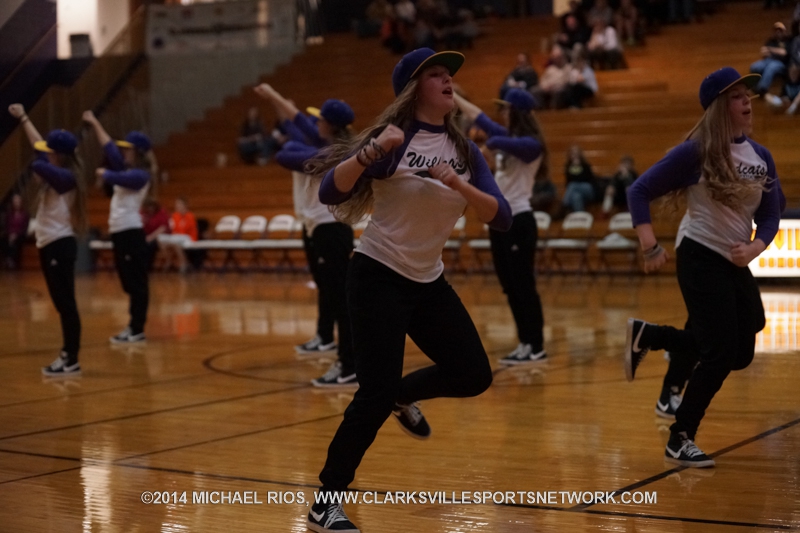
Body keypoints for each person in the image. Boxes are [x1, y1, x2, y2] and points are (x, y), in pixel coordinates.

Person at [304, 48, 511, 532]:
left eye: (448, 74)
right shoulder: (393, 139)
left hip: (427, 279)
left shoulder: (465, 151)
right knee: (372, 396)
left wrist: (460, 185)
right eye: (435, 74)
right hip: (378, 275)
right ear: (414, 89)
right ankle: (325, 503)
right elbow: (330, 192)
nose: (447, 80)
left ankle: (400, 395)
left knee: (473, 373)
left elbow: (500, 216)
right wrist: (370, 153)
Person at [624, 67, 784, 467]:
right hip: (699, 254)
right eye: (738, 97)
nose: (748, 102)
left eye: (748, 95)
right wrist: (649, 246)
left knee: (743, 344)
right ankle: (680, 438)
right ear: (718, 107)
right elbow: (639, 190)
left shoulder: (761, 156)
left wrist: (756, 247)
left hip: (734, 259)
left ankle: (650, 336)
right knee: (719, 353)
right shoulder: (697, 153)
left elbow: (771, 213)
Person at [254, 84, 358, 388]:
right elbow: (296, 120)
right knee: (336, 298)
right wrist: (274, 97)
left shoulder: (334, 152)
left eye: (321, 119)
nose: (316, 123)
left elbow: (286, 155)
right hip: (326, 229)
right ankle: (346, 361)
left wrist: (292, 147)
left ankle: (349, 366)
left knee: (341, 301)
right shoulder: (328, 144)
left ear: (330, 125)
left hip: (332, 229)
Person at [454, 89, 548, 365]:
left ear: (517, 112)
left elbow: (498, 140)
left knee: (523, 286)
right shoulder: (508, 138)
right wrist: (455, 95)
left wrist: (491, 142)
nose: (502, 113)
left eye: (506, 109)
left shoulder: (532, 144)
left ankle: (536, 345)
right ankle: (524, 342)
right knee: (510, 286)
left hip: (520, 221)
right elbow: (478, 116)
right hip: (500, 223)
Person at [8, 104, 87, 377]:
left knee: (66, 305)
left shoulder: (66, 178)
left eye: (50, 151)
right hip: (49, 244)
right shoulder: (58, 169)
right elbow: (38, 148)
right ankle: (67, 355)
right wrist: (23, 118)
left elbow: (38, 162)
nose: (46, 153)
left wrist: (37, 160)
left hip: (59, 245)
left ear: (60, 155)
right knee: (62, 304)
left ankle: (71, 358)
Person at [83, 111, 152, 343]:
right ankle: (132, 326)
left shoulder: (142, 175)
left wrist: (106, 174)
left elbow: (124, 180)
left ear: (138, 152)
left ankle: (137, 328)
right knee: (127, 281)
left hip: (132, 232)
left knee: (137, 283)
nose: (124, 152)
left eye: (129, 149)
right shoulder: (124, 169)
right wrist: (94, 123)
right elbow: (109, 147)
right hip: (120, 233)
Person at [750, 22, 791, 96]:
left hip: (782, 63)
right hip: (769, 60)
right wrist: (775, 51)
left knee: (771, 67)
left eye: (780, 30)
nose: (778, 32)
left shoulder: (788, 41)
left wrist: (770, 50)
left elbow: (784, 52)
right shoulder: (771, 41)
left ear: (784, 31)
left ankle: (762, 89)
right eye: (776, 30)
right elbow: (764, 52)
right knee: (755, 66)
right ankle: (754, 85)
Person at [161, 197, 197, 273]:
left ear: (185, 205)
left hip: (188, 237)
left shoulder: (190, 216)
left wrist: (177, 233)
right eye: (177, 204)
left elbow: (187, 229)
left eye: (179, 204)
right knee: (161, 239)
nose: (177, 206)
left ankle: (184, 263)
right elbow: (173, 228)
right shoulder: (175, 215)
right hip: (176, 237)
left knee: (176, 241)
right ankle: (169, 261)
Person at [559, 144, 596, 215]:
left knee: (573, 185)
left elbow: (588, 179)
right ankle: (579, 216)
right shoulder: (568, 167)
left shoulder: (585, 165)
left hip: (587, 189)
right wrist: (572, 168)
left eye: (576, 154)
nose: (575, 156)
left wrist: (579, 167)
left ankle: (564, 204)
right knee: (576, 196)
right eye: (573, 154)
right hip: (575, 190)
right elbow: (568, 182)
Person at [141, 199, 170, 270]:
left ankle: (148, 265)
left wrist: (151, 237)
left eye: (152, 206)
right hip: (146, 236)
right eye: (148, 207)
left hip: (158, 237)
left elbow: (163, 228)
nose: (150, 209)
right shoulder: (143, 213)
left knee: (151, 245)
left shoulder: (161, 212)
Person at [3, 193, 29, 270]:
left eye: (18, 201)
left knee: (16, 241)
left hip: (20, 234)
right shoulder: (9, 214)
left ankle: (12, 261)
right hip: (9, 234)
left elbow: (25, 228)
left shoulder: (25, 214)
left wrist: (15, 235)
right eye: (15, 201)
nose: (16, 203)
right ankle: (7, 259)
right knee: (3, 240)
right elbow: (6, 226)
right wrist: (10, 234)